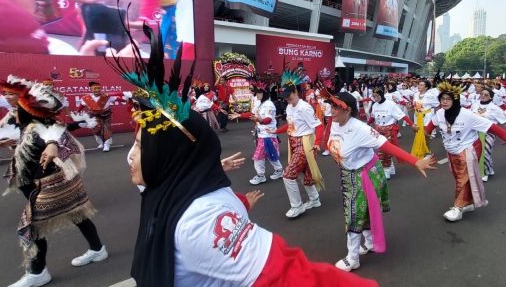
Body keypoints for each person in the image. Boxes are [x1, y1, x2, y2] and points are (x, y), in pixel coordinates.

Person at [110, 25, 376, 287]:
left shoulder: (199, 223)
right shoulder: (167, 193)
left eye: (140, 146)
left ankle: (302, 202)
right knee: (298, 174)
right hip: (288, 141)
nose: (130, 157)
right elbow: (285, 125)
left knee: (287, 173)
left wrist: (314, 143)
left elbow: (284, 276)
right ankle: (311, 198)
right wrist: (227, 186)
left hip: (301, 143)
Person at [4, 78, 107, 287]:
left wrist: (51, 145)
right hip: (56, 182)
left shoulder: (37, 129)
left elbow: (53, 135)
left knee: (33, 227)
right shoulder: (32, 127)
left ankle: (38, 272)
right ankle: (98, 249)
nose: (13, 111)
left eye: (17, 108)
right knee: (78, 215)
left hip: (51, 185)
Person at [324, 91, 436, 272]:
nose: (332, 110)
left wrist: (415, 161)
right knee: (363, 211)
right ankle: (368, 243)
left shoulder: (361, 129)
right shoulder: (335, 123)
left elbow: (386, 146)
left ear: (348, 110)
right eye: (332, 106)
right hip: (348, 174)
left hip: (365, 175)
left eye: (336, 107)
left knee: (353, 215)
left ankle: (352, 258)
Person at [424, 82, 506, 222]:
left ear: (455, 100)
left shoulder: (468, 115)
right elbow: (432, 124)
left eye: (448, 99)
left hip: (468, 149)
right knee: (459, 177)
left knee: (462, 178)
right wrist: (426, 132)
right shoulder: (440, 113)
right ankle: (468, 202)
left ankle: (457, 208)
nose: (445, 102)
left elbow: (490, 126)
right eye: (442, 99)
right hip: (451, 150)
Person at [269, 81, 324, 219]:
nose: (287, 98)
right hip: (293, 142)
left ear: (296, 92)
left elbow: (319, 126)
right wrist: (276, 130)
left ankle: (297, 206)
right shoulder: (289, 107)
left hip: (304, 144)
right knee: (305, 172)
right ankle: (314, 199)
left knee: (288, 174)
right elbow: (290, 125)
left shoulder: (304, 107)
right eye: (285, 96)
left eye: (289, 95)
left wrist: (317, 143)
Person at [228, 84, 283, 185]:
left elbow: (268, 119)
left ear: (264, 93)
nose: (257, 94)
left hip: (268, 135)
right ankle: (279, 170)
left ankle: (261, 176)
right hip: (262, 134)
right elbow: (252, 114)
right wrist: (239, 115)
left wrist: (259, 120)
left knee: (258, 156)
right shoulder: (260, 103)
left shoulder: (269, 104)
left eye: (259, 93)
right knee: (270, 154)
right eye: (256, 92)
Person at [471, 88, 506, 181]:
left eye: (486, 95)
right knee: (477, 153)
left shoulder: (494, 108)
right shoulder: (474, 105)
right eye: (482, 94)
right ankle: (489, 169)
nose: (483, 96)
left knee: (485, 152)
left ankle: (484, 173)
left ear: (491, 97)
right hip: (475, 133)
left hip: (489, 133)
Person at [368, 88, 415, 179]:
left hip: (389, 131)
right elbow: (372, 117)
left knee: (384, 151)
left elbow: (402, 115)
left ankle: (386, 169)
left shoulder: (391, 104)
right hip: (378, 131)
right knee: (382, 150)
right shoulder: (375, 105)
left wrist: (412, 124)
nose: (375, 98)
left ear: (381, 95)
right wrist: (367, 125)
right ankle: (390, 166)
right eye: (374, 96)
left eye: (377, 96)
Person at [78, 81, 118, 152]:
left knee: (107, 129)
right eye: (95, 88)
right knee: (96, 130)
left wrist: (126, 100)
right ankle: (101, 143)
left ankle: (107, 144)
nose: (97, 90)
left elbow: (117, 99)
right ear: (91, 89)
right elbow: (82, 106)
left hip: (106, 115)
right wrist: (77, 112)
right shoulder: (86, 98)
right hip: (94, 116)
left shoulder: (106, 96)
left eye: (98, 88)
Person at [410, 79, 439, 157]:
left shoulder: (430, 95)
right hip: (417, 116)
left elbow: (437, 104)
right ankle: (420, 150)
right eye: (419, 84)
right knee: (418, 133)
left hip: (426, 117)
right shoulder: (416, 94)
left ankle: (427, 152)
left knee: (425, 135)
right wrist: (411, 106)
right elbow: (414, 104)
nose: (419, 86)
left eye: (422, 85)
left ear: (426, 87)